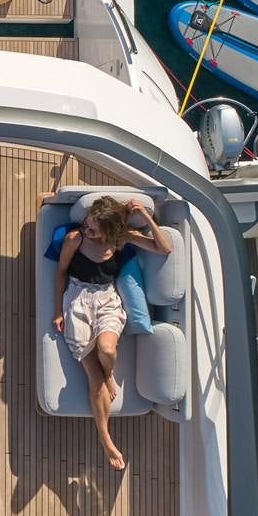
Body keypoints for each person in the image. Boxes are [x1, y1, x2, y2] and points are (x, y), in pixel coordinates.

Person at [51, 196, 173, 469]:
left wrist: (146, 216)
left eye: (93, 228)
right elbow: (60, 272)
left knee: (107, 350)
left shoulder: (122, 239)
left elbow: (164, 248)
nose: (86, 229)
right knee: (93, 376)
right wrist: (58, 310)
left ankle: (109, 375)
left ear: (109, 231)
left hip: (107, 299)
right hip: (78, 298)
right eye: (87, 222)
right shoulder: (75, 239)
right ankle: (105, 438)